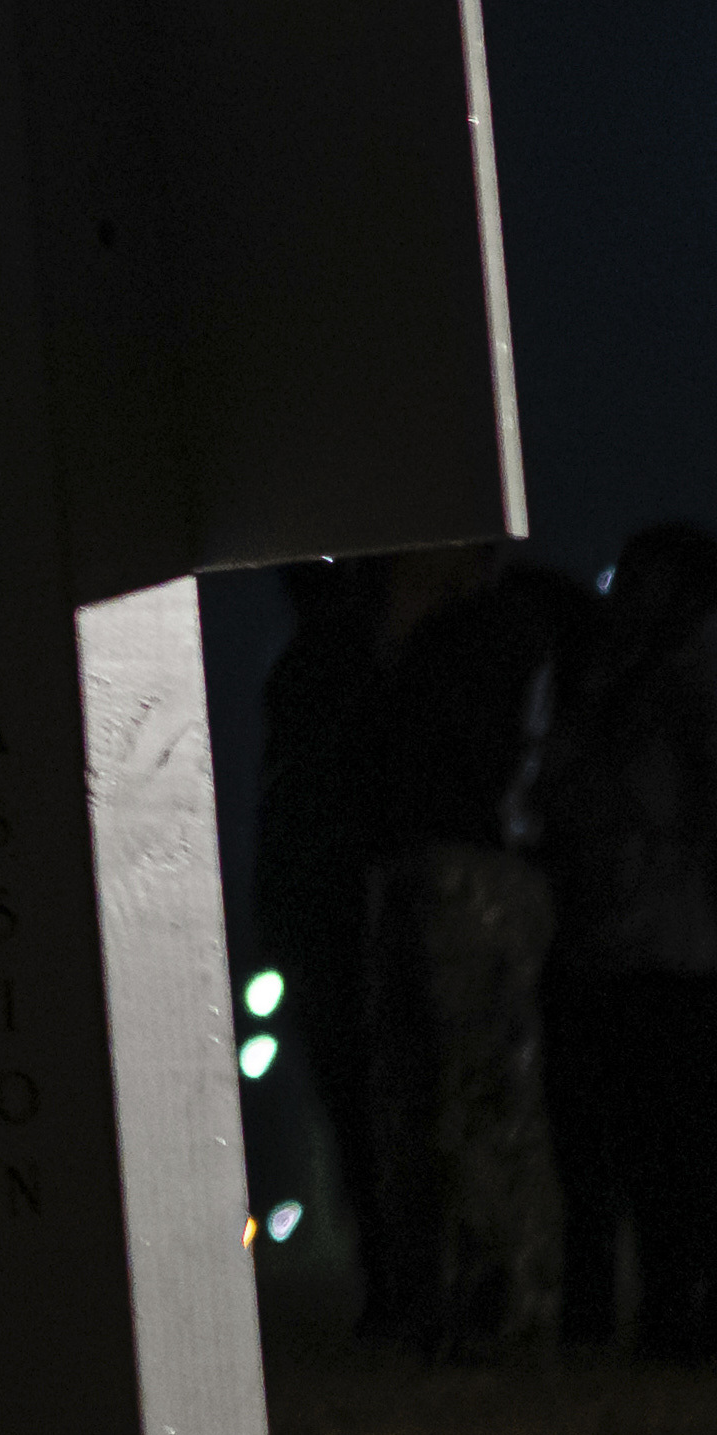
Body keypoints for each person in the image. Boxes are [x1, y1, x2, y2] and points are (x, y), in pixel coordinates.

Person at [541, 522, 717, 1357]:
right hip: (671, 947)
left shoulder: (670, 678)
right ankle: (694, 1319)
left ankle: (693, 1318)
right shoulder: (662, 677)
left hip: (678, 949)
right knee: (682, 1144)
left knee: (683, 1145)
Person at [352, 538, 572, 1360]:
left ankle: (505, 1302)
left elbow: (439, 753)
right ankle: (453, 1300)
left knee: (479, 1095)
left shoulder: (483, 634)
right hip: (438, 866)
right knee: (426, 1096)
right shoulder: (469, 634)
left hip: (467, 870)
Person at [250, 558, 398, 1336]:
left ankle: (390, 1280)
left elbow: (285, 807)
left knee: (358, 1109)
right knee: (381, 1108)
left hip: (334, 912)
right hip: (353, 910)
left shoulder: (309, 670)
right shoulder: (364, 663)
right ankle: (399, 1279)